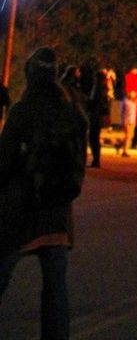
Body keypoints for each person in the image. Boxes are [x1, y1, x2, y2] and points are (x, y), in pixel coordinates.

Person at [0, 46, 88, 340]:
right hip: (58, 215)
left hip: (21, 212)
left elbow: (4, 162)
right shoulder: (72, 111)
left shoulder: (23, 111)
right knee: (55, 288)